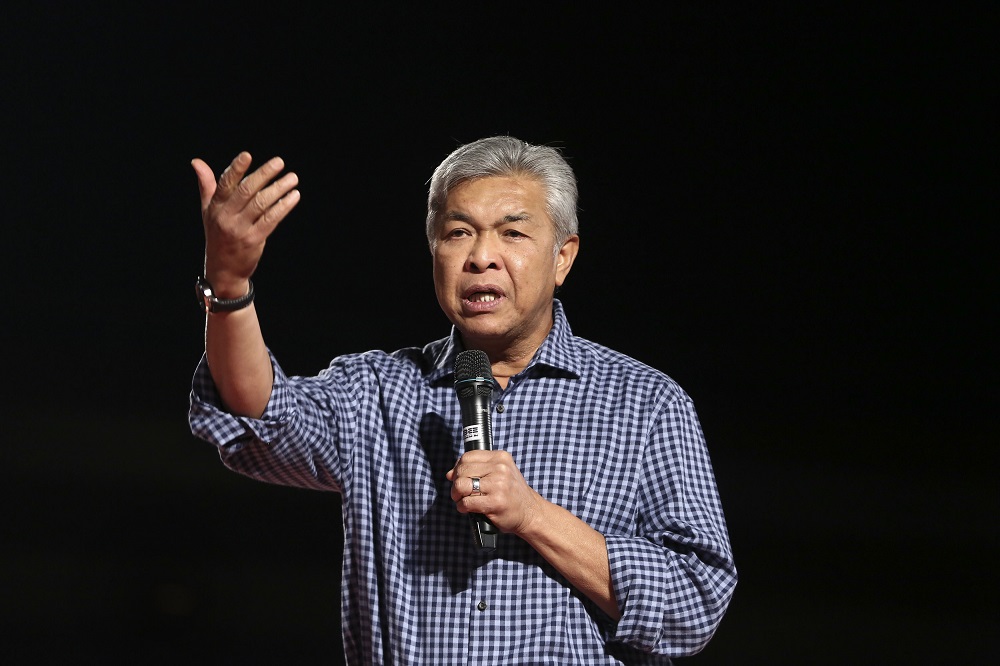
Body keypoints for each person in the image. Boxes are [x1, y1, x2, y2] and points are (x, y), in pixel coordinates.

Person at [189, 136, 736, 664]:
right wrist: (230, 283)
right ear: (434, 252)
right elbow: (254, 414)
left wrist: (533, 516)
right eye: (458, 232)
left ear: (562, 257)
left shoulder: (645, 405)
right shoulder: (377, 392)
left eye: (513, 234)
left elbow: (696, 604)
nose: (481, 257)